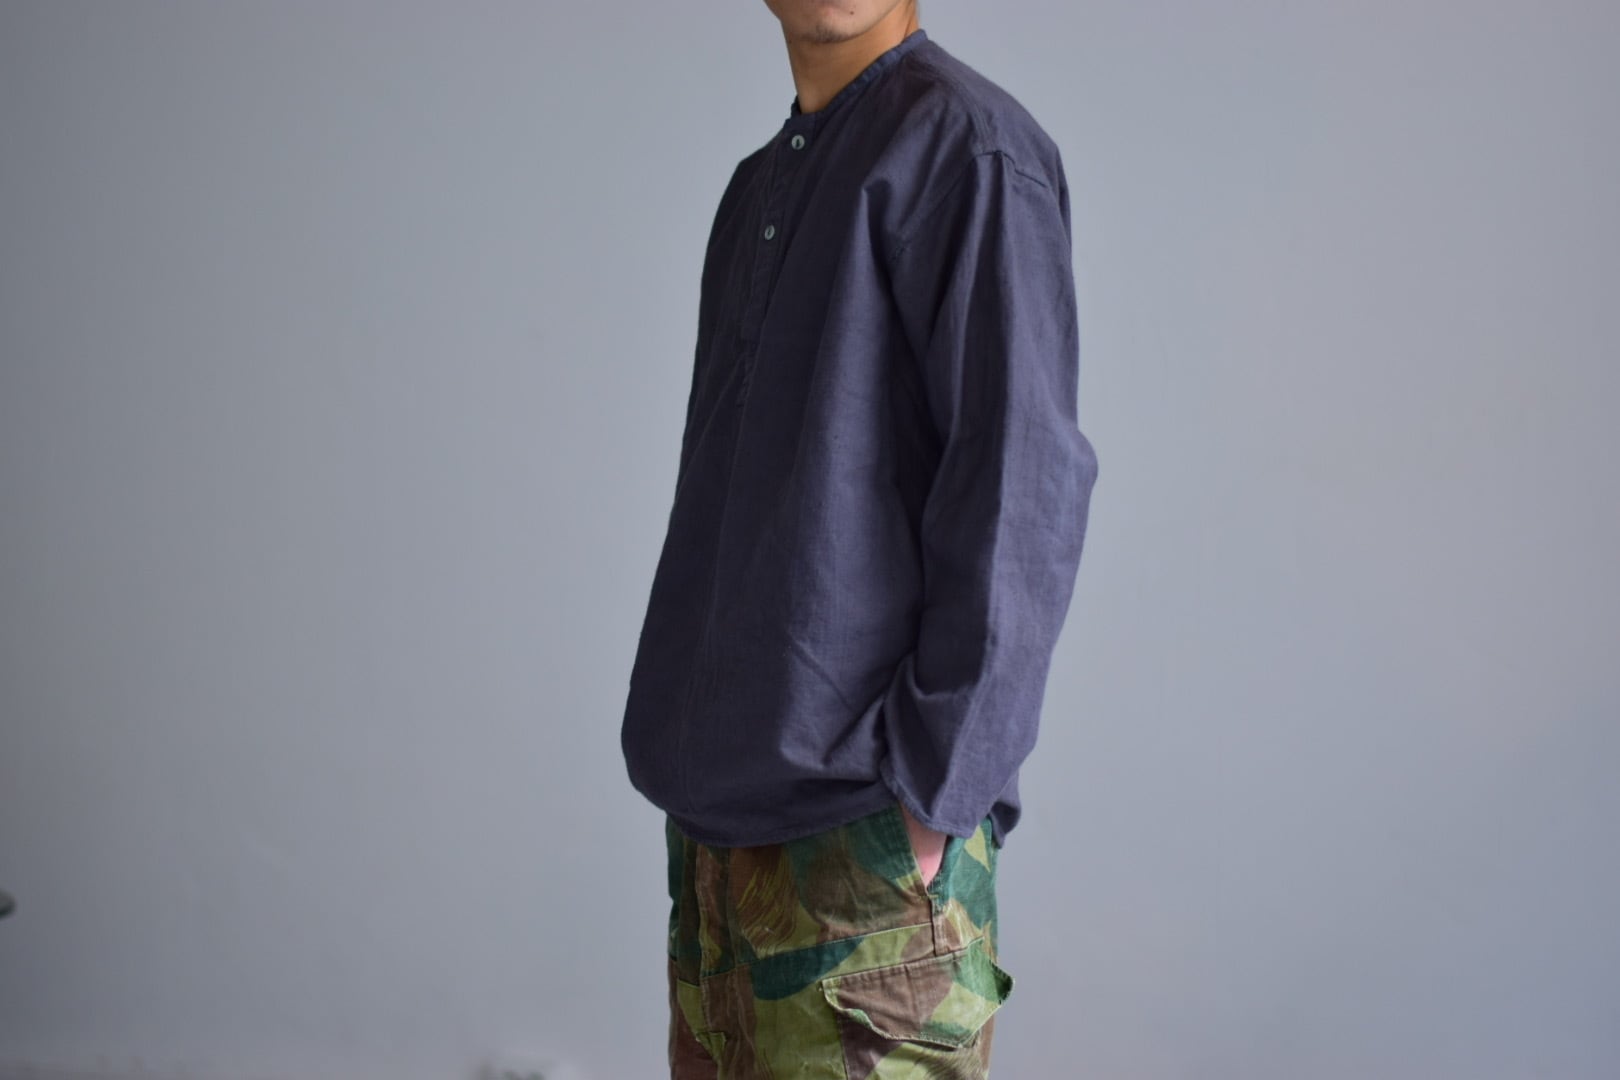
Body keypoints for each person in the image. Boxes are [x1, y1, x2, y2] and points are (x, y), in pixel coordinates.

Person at [620, 1, 1099, 1075]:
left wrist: (929, 805)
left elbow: (1024, 482)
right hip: (717, 840)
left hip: (865, 849)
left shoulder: (972, 149)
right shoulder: (756, 188)